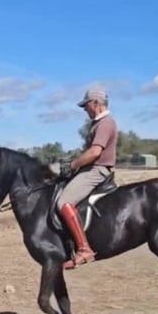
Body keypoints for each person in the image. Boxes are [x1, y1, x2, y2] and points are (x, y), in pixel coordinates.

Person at [57, 88, 118, 269]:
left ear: (96, 104)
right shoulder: (98, 123)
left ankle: (84, 249)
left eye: (86, 106)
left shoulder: (105, 123)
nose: (85, 110)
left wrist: (73, 165)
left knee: (64, 202)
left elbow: (95, 152)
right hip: (91, 168)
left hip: (97, 170)